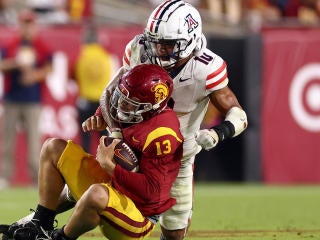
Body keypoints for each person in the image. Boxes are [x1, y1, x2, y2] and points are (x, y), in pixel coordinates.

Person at [1, 1, 248, 239]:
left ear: (190, 40)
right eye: (155, 43)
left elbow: (238, 114)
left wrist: (219, 133)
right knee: (91, 182)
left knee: (174, 232)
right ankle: (40, 223)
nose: (158, 50)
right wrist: (103, 116)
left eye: (167, 45)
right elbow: (122, 91)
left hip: (173, 159)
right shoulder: (140, 48)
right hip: (132, 143)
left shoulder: (205, 68)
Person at [0, 64, 184, 240]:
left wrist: (109, 167)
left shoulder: (162, 135)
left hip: (137, 214)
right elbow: (111, 104)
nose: (121, 106)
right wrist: (98, 116)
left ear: (149, 107)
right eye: (121, 99)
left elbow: (153, 193)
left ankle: (62, 237)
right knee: (53, 147)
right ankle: (40, 225)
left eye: (129, 104)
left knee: (96, 193)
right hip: (112, 187)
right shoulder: (137, 108)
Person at [0, 9, 53, 189]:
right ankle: (5, 177)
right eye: (24, 23)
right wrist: (15, 63)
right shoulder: (11, 44)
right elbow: (2, 65)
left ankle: (35, 178)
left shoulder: (41, 45)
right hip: (12, 98)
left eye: (29, 24)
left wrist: (34, 76)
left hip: (32, 99)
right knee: (7, 141)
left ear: (34, 25)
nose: (27, 27)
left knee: (33, 142)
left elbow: (49, 68)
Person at [73, 22, 114, 152]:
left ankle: (86, 170)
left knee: (85, 140)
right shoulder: (105, 56)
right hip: (101, 103)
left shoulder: (80, 55)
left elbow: (73, 74)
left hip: (85, 101)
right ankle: (105, 169)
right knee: (104, 139)